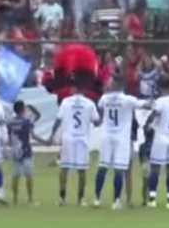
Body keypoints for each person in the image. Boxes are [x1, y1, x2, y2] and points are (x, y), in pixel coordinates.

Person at [52, 76, 99, 207]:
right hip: (82, 139)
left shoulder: (66, 102)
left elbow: (58, 120)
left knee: (64, 168)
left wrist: (51, 135)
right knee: (82, 169)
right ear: (83, 89)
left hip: (68, 138)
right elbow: (96, 122)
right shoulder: (89, 103)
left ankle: (62, 198)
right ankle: (81, 198)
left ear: (73, 88)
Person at [95, 77, 141, 209]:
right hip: (121, 138)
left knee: (103, 167)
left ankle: (97, 199)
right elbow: (143, 104)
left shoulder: (104, 98)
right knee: (119, 169)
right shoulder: (128, 99)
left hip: (107, 136)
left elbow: (100, 110)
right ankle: (116, 201)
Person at [145, 77, 169, 209]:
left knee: (155, 168)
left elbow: (154, 113)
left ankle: (152, 199)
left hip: (162, 136)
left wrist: (148, 124)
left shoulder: (161, 101)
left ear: (162, 88)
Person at [6, 100, 39, 206]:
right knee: (28, 175)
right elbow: (37, 117)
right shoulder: (26, 121)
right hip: (25, 150)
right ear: (23, 109)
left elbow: (9, 137)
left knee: (15, 175)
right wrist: (45, 142)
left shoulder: (10, 122)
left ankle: (15, 198)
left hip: (15, 150)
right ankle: (30, 199)